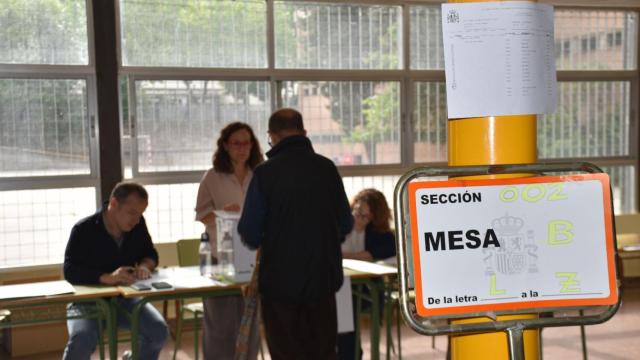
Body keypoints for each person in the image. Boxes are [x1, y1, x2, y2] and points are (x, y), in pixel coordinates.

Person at [238, 108, 353, 360]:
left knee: (287, 353)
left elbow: (249, 232)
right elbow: (346, 223)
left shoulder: (264, 174)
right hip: (323, 282)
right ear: (304, 133)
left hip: (280, 286)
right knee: (323, 353)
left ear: (273, 137)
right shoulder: (327, 169)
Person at [62, 182, 168, 360]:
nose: (136, 220)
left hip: (126, 298)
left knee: (158, 330)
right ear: (113, 204)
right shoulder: (84, 229)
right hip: (87, 301)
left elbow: (150, 254)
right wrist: (106, 278)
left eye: (140, 214)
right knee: (82, 339)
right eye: (132, 213)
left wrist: (144, 266)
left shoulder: (138, 225)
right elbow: (70, 270)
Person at [194, 122, 264, 359]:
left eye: (247, 143)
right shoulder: (212, 177)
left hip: (253, 257)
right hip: (219, 256)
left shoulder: (261, 174)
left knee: (249, 323)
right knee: (220, 326)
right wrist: (222, 211)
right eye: (236, 143)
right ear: (225, 145)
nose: (242, 148)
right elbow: (201, 215)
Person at [337, 188, 396, 360]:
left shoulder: (381, 235)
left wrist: (352, 255)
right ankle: (347, 353)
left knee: (346, 303)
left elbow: (384, 250)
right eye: (356, 211)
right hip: (339, 286)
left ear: (374, 219)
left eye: (365, 216)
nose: (358, 218)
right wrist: (363, 255)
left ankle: (349, 354)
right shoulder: (339, 223)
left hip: (367, 291)